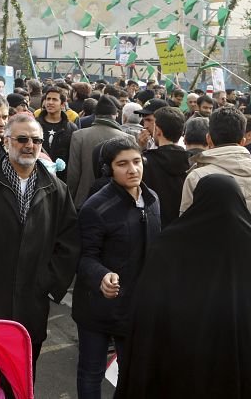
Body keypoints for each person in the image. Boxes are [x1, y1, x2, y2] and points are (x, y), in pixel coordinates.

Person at [114, 175, 251, 398]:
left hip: (179, 353)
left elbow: (149, 307)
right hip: (236, 355)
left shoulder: (169, 243)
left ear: (198, 200)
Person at [0, 113, 80, 375]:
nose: (30, 145)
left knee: (23, 376)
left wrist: (48, 283)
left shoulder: (56, 188)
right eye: (22, 139)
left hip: (32, 303)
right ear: (6, 142)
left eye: (36, 140)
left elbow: (68, 242)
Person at [73, 136, 161, 399]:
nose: (132, 169)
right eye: (122, 164)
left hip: (136, 307)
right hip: (97, 307)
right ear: (108, 169)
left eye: (136, 161)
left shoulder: (153, 199)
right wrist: (102, 276)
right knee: (91, 371)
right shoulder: (96, 207)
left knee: (131, 373)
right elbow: (84, 257)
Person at [180, 107, 251, 270]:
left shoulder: (197, 178)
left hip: (208, 275)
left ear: (208, 139)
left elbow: (186, 235)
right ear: (243, 141)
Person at [67, 96, 127, 207]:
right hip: (118, 202)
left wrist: (70, 201)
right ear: (115, 115)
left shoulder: (79, 136)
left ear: (95, 115)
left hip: (84, 200)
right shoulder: (126, 138)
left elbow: (73, 174)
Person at [141, 106, 191, 228]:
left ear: (158, 130)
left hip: (154, 228)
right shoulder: (192, 161)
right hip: (182, 228)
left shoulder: (145, 162)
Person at [35, 86, 77, 181]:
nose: (50, 102)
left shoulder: (71, 128)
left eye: (54, 99)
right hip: (37, 175)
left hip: (61, 179)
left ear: (62, 104)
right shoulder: (34, 124)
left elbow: (73, 157)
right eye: (48, 99)